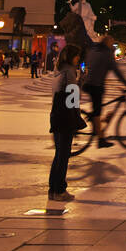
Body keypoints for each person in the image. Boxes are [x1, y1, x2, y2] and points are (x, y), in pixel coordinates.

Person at [81, 34, 126, 148]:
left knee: (99, 109)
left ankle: (97, 126)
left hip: (87, 84)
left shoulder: (93, 50)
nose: (113, 44)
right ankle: (100, 139)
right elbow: (117, 72)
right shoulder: (106, 54)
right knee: (97, 112)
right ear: (107, 43)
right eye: (112, 42)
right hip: (96, 86)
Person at [48, 44, 84, 202]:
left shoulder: (59, 69)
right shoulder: (69, 72)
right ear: (71, 56)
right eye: (77, 56)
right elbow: (72, 99)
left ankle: (53, 189)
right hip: (65, 117)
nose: (79, 59)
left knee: (59, 154)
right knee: (63, 155)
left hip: (56, 115)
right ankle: (59, 190)